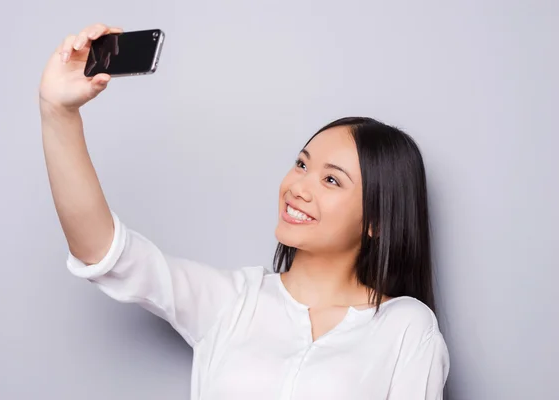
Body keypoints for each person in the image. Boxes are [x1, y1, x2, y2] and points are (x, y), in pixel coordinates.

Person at [40, 23, 450, 400]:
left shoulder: (407, 328)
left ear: (377, 221)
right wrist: (58, 113)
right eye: (302, 164)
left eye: (331, 180)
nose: (298, 187)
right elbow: (105, 252)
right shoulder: (233, 302)